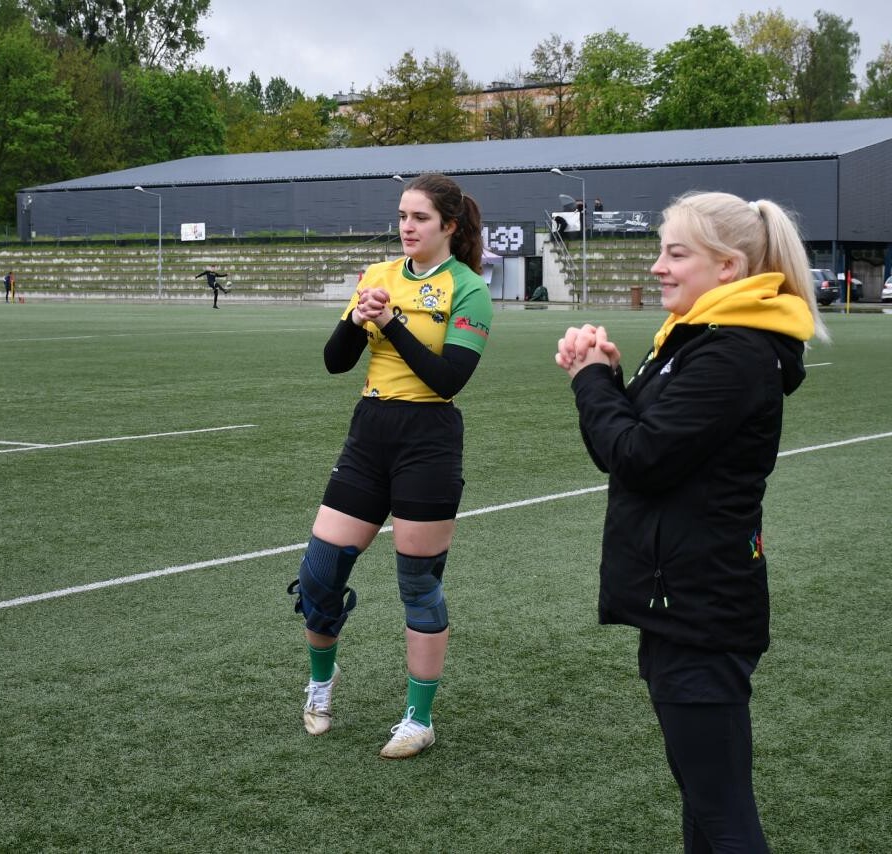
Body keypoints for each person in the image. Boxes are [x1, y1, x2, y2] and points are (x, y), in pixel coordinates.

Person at [555, 191, 830, 850]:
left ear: (729, 267)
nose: (658, 267)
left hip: (701, 608)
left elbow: (639, 458)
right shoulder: (700, 339)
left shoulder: (731, 353)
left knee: (722, 809)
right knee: (707, 805)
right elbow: (633, 450)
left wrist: (592, 381)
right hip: (680, 599)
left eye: (676, 253)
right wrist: (610, 377)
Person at [289, 173, 493, 759]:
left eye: (420, 218)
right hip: (370, 431)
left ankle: (418, 719)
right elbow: (335, 362)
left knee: (418, 585)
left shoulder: (468, 289)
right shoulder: (377, 276)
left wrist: (394, 323)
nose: (407, 226)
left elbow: (448, 377)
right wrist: (357, 319)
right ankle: (320, 689)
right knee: (320, 573)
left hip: (429, 438)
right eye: (402, 215)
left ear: (449, 226)